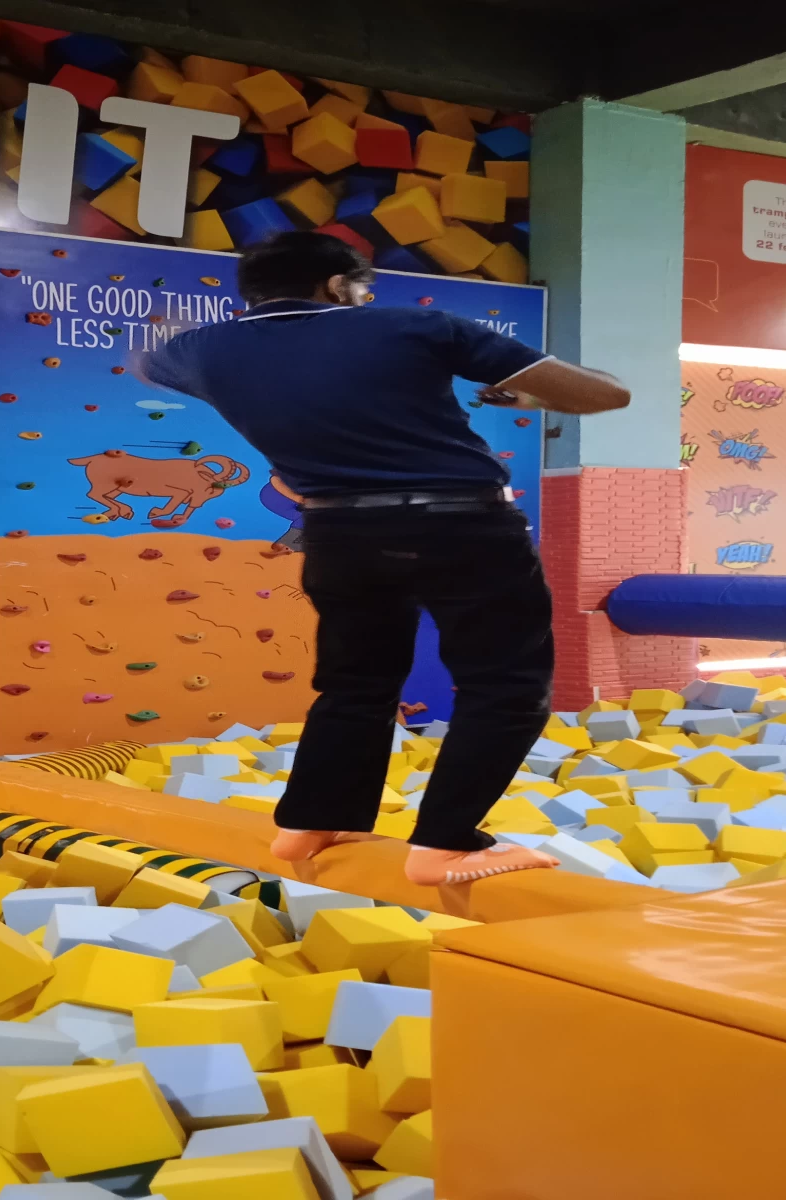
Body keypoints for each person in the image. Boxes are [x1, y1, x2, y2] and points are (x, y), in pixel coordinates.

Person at [135, 231, 630, 887]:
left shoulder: (199, 350)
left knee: (355, 683)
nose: (364, 300)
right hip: (460, 526)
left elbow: (148, 359)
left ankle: (312, 819)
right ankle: (446, 843)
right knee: (505, 686)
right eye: (360, 289)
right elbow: (603, 395)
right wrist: (530, 396)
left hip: (339, 535)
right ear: (339, 286)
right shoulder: (416, 326)